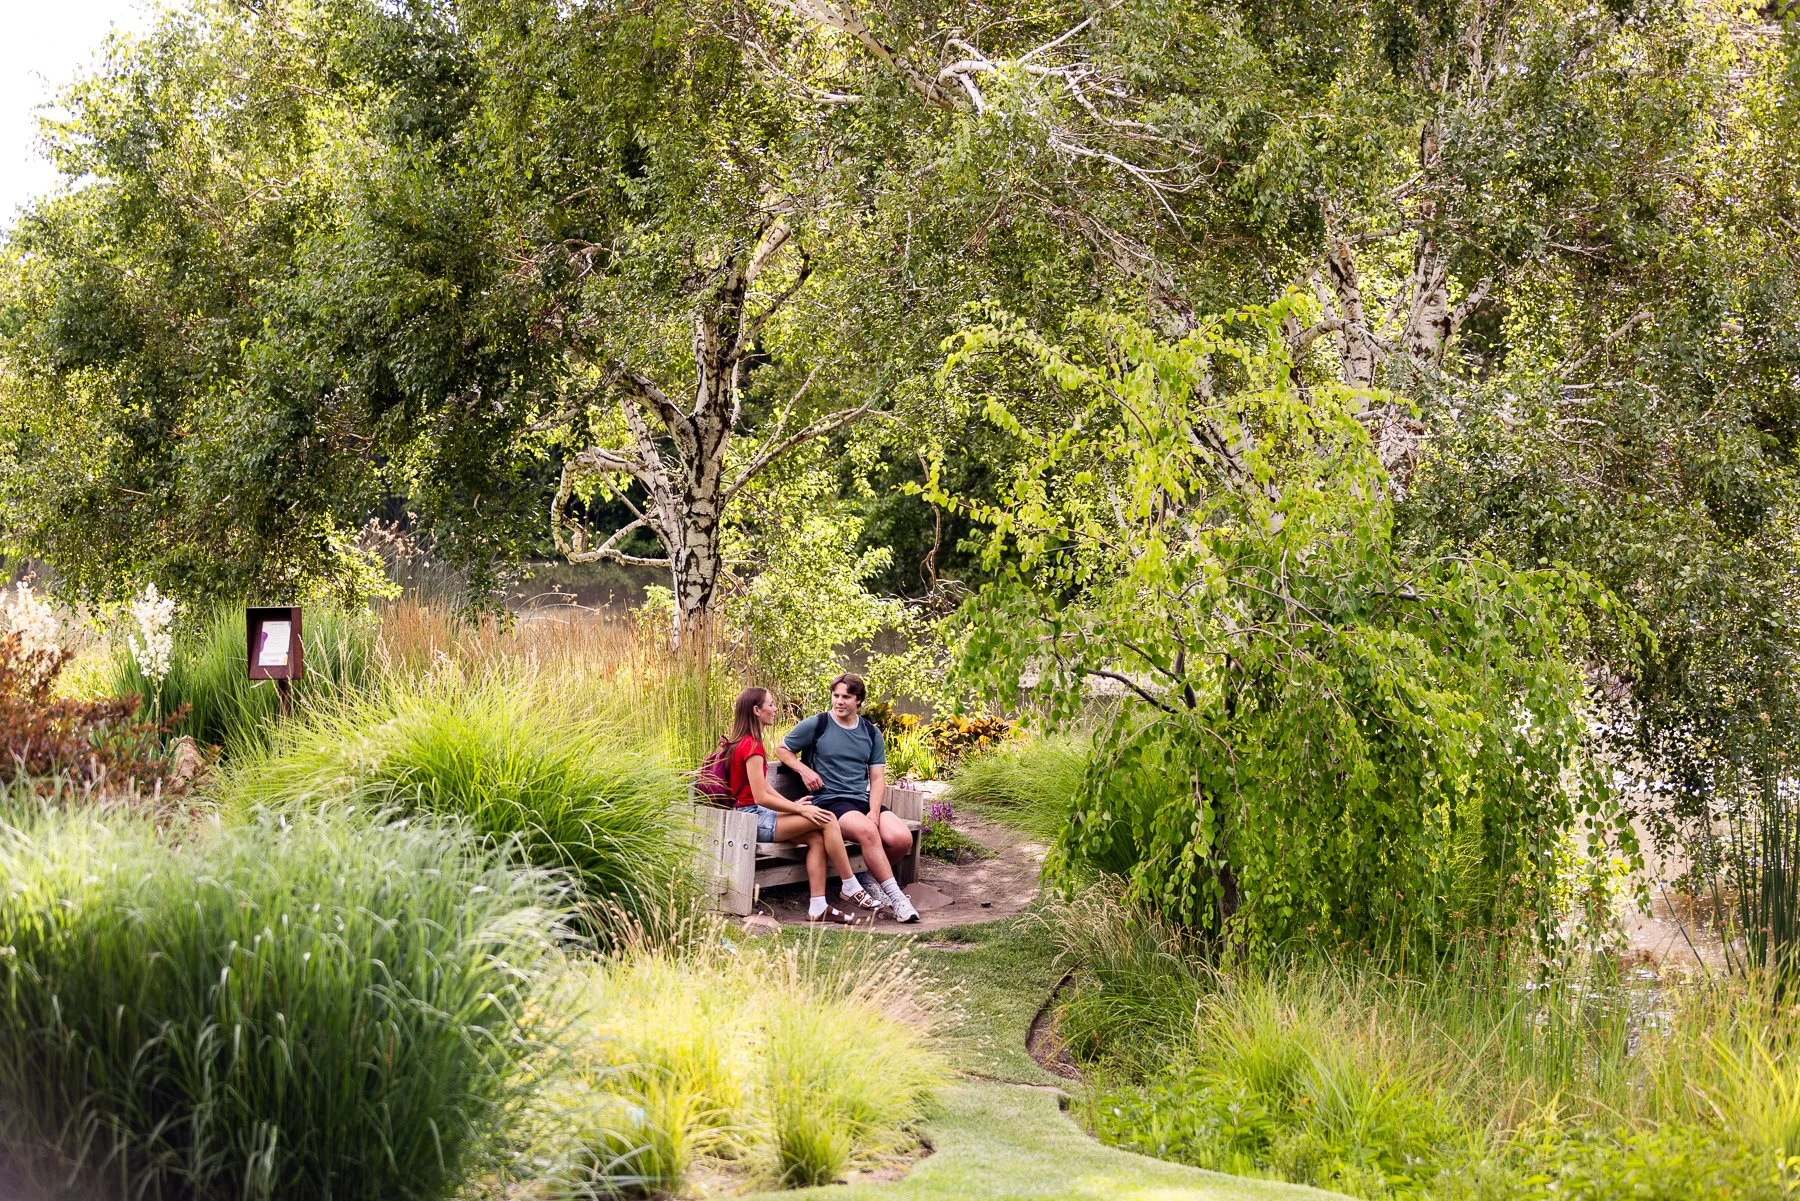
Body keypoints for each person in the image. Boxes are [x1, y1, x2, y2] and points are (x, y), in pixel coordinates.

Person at [725, 686, 884, 923]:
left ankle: (818, 906)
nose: (775, 709)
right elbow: (759, 797)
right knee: (827, 818)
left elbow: (766, 789)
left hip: (754, 814)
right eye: (770, 704)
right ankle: (850, 884)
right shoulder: (752, 746)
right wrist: (800, 809)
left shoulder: (748, 742)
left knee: (816, 836)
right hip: (749, 820)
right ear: (757, 711)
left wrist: (790, 804)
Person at [774, 673, 920, 923]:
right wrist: (804, 769)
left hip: (860, 800)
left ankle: (869, 880)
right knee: (868, 831)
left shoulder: (870, 733)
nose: (839, 701)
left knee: (901, 838)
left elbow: (876, 778)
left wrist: (874, 811)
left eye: (846, 697)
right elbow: (781, 748)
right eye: (836, 695)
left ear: (859, 701)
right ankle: (897, 899)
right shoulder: (817, 724)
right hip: (830, 802)